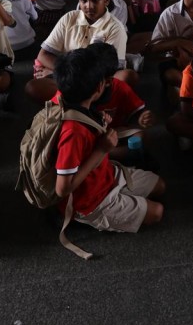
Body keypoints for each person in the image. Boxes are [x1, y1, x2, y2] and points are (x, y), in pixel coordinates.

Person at [53, 48, 166, 233]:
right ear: (99, 87)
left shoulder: (76, 103)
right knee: (157, 212)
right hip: (89, 199)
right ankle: (76, 217)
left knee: (159, 186)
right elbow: (62, 189)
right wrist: (102, 150)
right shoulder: (73, 131)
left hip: (104, 174)